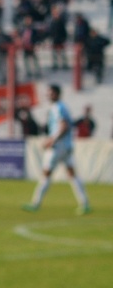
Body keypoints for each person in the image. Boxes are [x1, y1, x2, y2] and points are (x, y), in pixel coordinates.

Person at [23, 84, 91, 215]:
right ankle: (85, 203)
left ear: (57, 94)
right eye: (48, 93)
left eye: (51, 93)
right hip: (66, 146)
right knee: (72, 174)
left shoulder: (58, 107)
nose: (48, 95)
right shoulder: (61, 107)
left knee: (46, 174)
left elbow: (64, 126)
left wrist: (51, 140)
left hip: (57, 147)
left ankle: (35, 203)